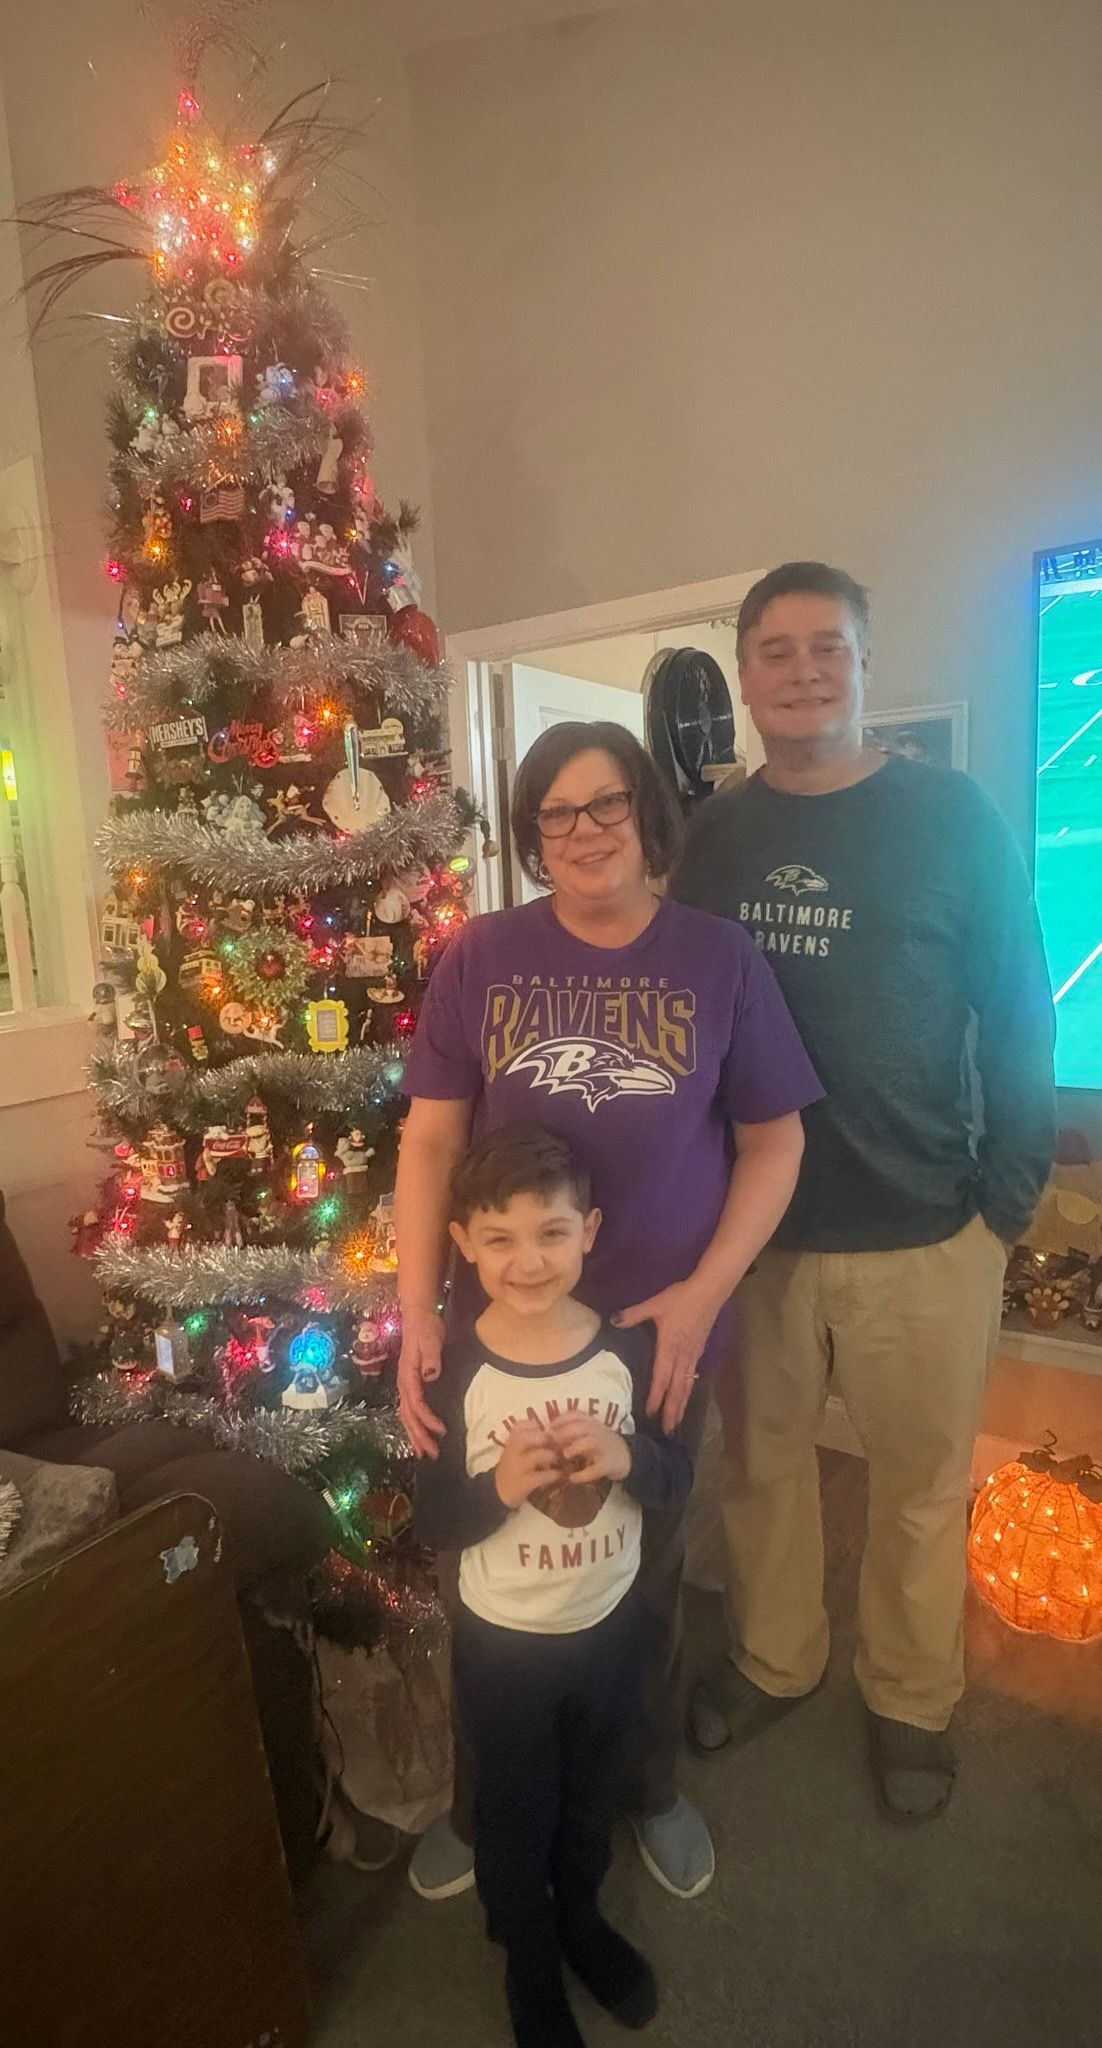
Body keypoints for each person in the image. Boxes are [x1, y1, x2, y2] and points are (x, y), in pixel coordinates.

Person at [396, 719, 821, 1901]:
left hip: (652, 1334)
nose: (583, 830)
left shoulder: (719, 958)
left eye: (606, 802)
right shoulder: (481, 953)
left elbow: (775, 1142)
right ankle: (483, 1806)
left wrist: (703, 1293)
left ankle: (647, 1782)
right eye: (555, 812)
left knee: (643, 1578)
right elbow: (429, 1142)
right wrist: (417, 1305)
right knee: (487, 1581)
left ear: (645, 810)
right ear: (532, 834)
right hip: (498, 1336)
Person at [675, 561, 1056, 1821]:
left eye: (826, 647)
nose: (802, 671)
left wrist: (1006, 1199)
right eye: (775, 650)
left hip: (927, 1230)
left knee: (919, 1491)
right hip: (758, 1235)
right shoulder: (714, 835)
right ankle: (775, 1656)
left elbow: (1019, 1006)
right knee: (761, 1471)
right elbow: (686, 1016)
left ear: (864, 665)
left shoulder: (952, 815)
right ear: (745, 677)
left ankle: (910, 1695)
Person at [414, 1126, 693, 2048]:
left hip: (608, 1633)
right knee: (515, 1815)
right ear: (463, 1242)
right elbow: (431, 1522)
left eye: (551, 1233)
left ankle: (581, 1921)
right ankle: (529, 1967)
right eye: (499, 1238)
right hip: (504, 1652)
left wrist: (631, 1459)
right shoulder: (453, 1374)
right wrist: (496, 1489)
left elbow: (677, 1479)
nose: (527, 1261)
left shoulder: (629, 1355)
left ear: (590, 1232)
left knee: (589, 1799)